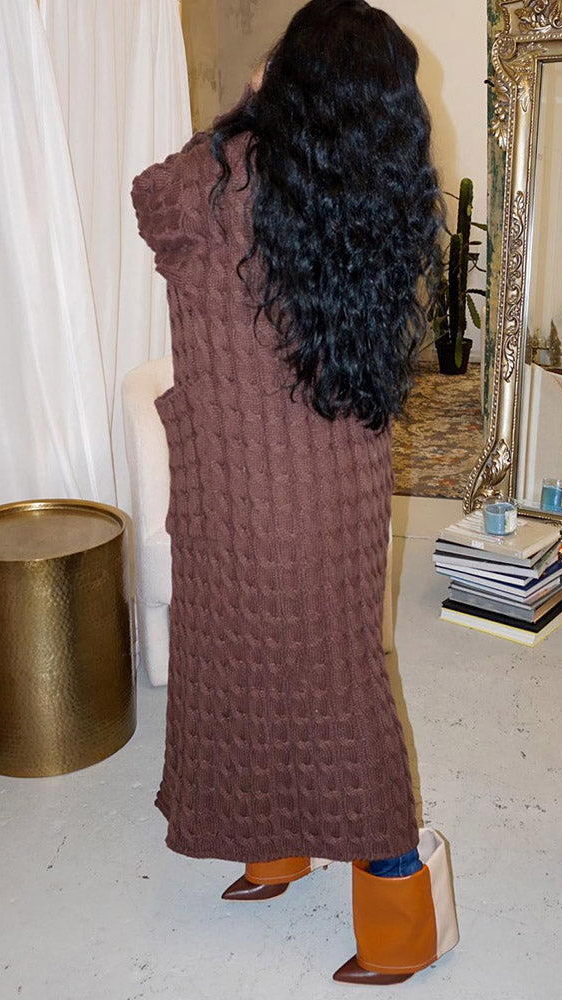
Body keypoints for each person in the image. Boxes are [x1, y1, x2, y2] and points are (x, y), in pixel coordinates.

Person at [132, 0, 453, 985]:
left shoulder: (216, 183)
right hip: (338, 487)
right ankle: (283, 848)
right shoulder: (376, 198)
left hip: (242, 491)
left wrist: (244, 106)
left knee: (270, 671)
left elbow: (149, 194)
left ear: (289, 80)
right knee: (323, 673)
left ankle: (402, 916)